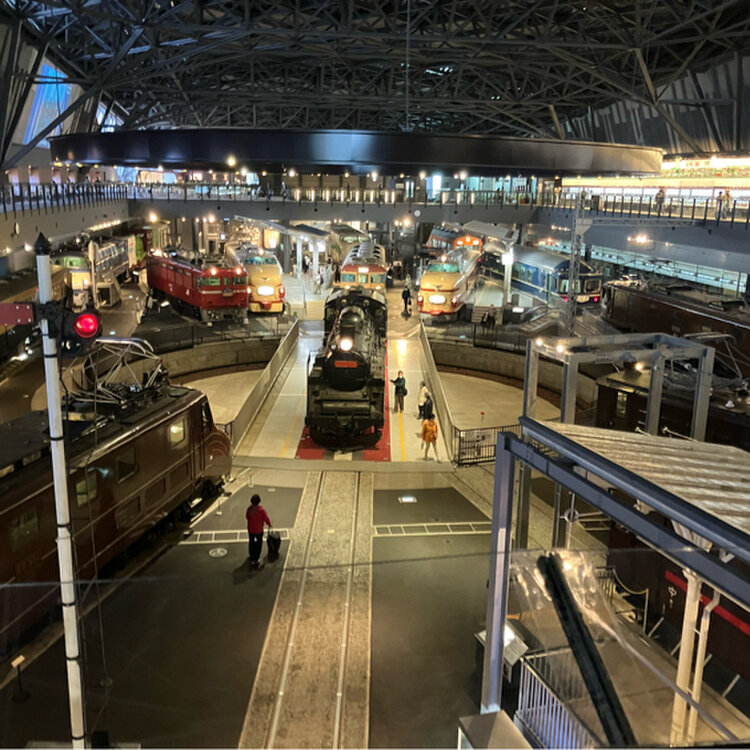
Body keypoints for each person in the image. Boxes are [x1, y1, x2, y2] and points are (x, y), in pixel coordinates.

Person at [246, 493, 272, 567]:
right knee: (258, 544)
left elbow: (247, 517)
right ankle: (256, 558)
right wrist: (269, 524)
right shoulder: (261, 510)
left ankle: (251, 556)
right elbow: (266, 518)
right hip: (259, 530)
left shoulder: (249, 509)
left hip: (251, 529)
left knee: (251, 542)